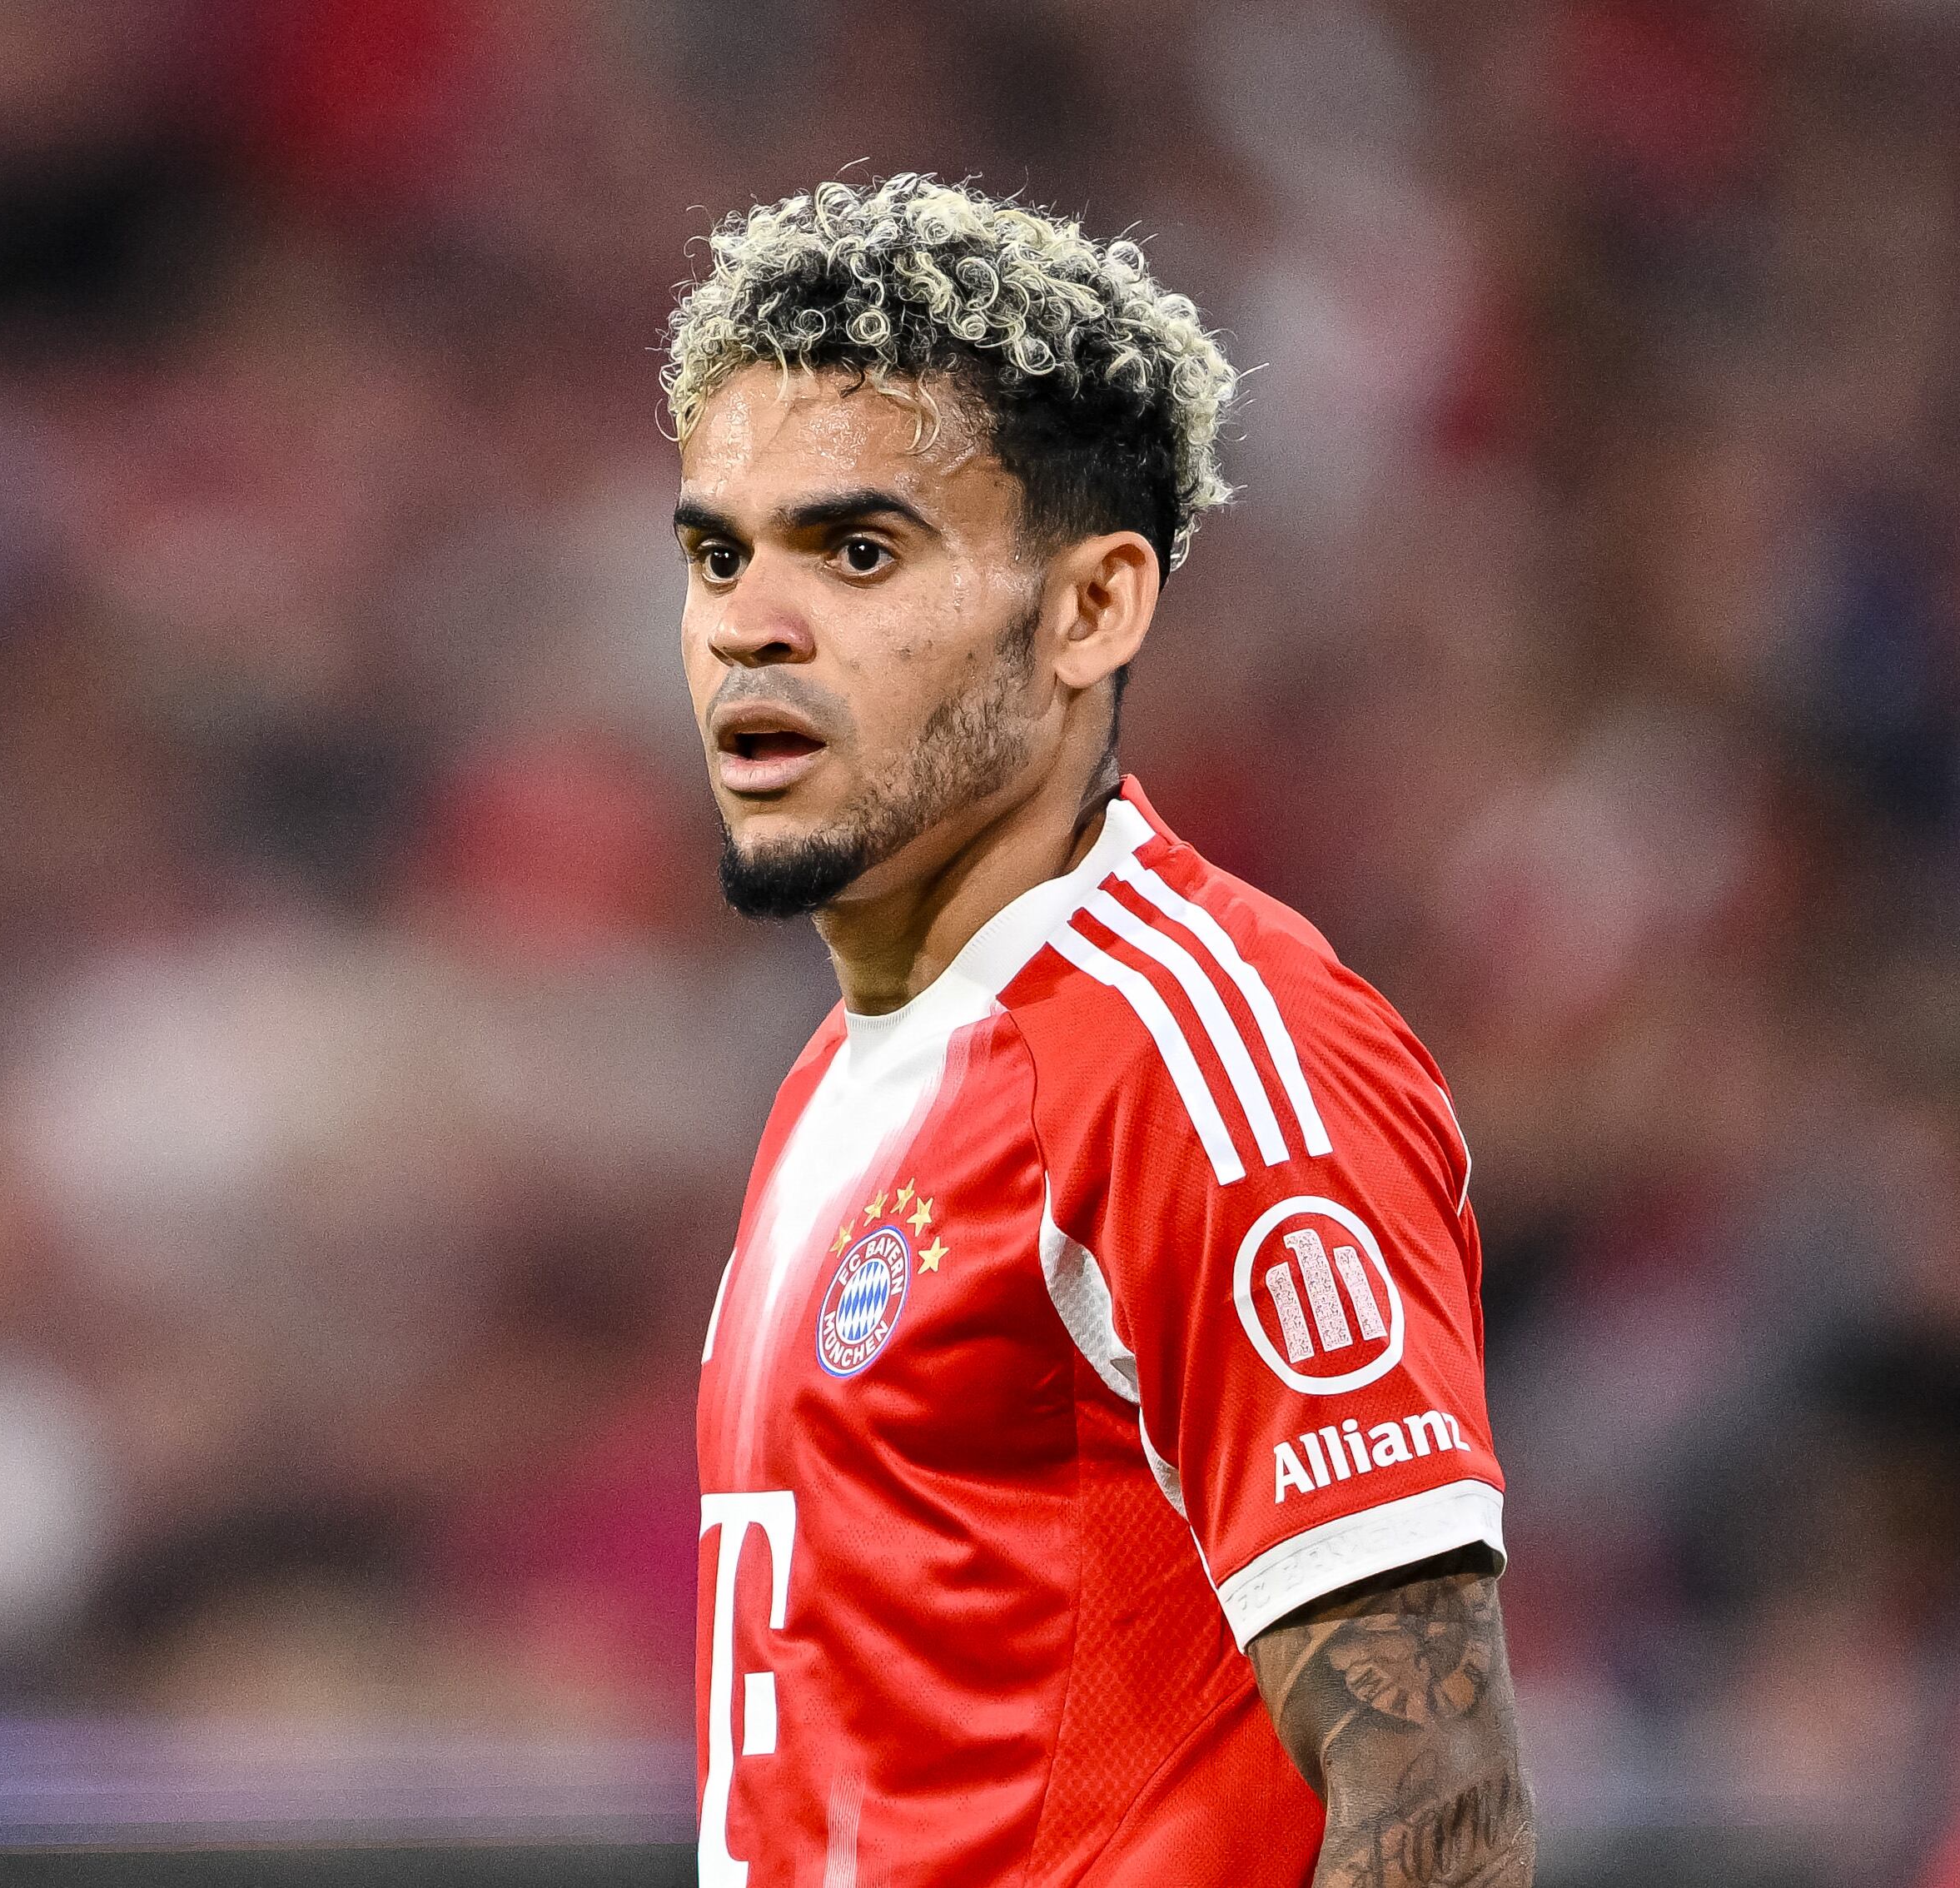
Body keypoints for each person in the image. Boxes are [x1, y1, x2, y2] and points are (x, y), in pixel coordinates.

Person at [671, 176, 1533, 1886]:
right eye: (715, 550)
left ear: (1090, 610)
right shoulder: (846, 1077)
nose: (747, 625)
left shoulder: (1202, 1053)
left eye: (855, 551)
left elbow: (1436, 1809)